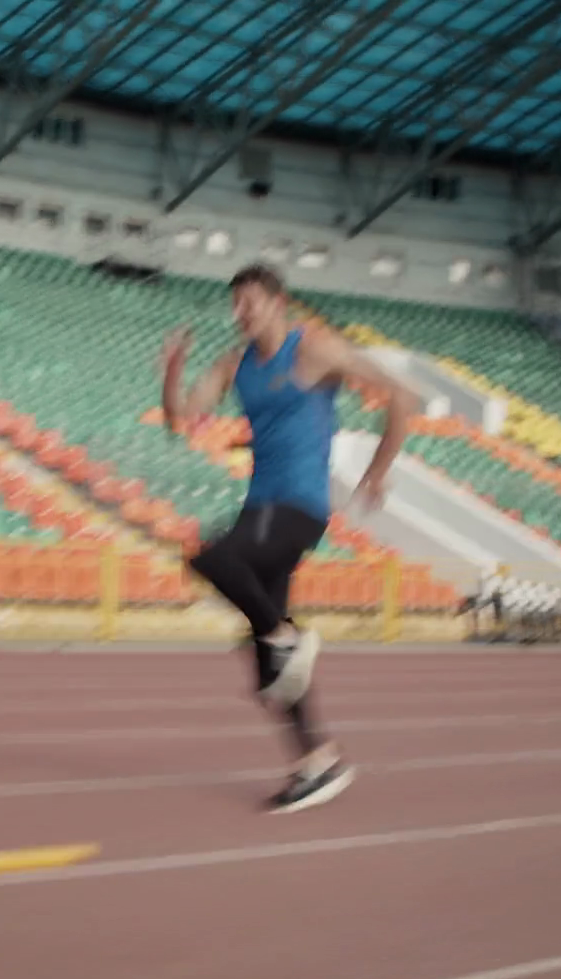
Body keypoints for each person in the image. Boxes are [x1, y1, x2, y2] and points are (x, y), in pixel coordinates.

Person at [160, 263, 415, 813]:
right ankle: (317, 762)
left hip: (298, 507)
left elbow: (402, 396)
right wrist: (173, 371)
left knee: (210, 559)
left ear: (279, 303)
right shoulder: (235, 364)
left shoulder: (314, 349)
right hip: (259, 508)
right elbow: (179, 416)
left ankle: (286, 635)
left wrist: (377, 470)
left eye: (250, 301)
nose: (241, 312)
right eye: (235, 304)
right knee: (269, 672)